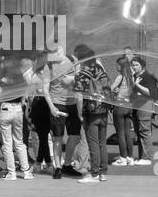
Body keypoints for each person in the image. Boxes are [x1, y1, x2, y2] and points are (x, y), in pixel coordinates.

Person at [73, 44, 110, 184]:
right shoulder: (101, 71)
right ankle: (103, 172)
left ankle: (94, 173)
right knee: (102, 143)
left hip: (91, 112)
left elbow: (78, 97)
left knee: (92, 143)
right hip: (103, 110)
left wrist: (79, 113)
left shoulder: (81, 75)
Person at [0, 57, 35, 180]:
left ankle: (11, 172)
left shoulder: (3, 79)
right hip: (18, 109)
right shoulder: (21, 78)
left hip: (6, 108)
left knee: (7, 143)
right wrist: (23, 99)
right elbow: (29, 88)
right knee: (20, 141)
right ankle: (26, 171)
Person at [44, 46, 80, 179]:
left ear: (62, 51)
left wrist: (73, 78)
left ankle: (67, 164)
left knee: (75, 136)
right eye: (52, 54)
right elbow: (45, 88)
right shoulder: (49, 66)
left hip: (72, 103)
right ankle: (58, 167)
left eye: (57, 52)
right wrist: (51, 107)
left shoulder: (73, 61)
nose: (55, 56)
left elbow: (81, 77)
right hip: (57, 102)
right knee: (57, 137)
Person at [129, 56, 158, 164]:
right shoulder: (134, 76)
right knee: (138, 131)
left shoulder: (147, 76)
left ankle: (147, 157)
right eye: (132, 65)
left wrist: (137, 85)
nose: (134, 67)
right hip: (136, 105)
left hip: (145, 105)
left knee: (145, 131)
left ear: (142, 66)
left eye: (136, 65)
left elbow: (150, 92)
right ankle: (142, 156)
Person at [109, 55, 135, 166]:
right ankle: (130, 157)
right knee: (127, 132)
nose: (116, 67)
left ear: (121, 66)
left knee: (120, 133)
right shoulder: (131, 77)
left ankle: (122, 158)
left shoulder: (120, 77)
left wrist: (113, 91)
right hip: (128, 105)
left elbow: (110, 90)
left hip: (119, 106)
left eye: (117, 65)